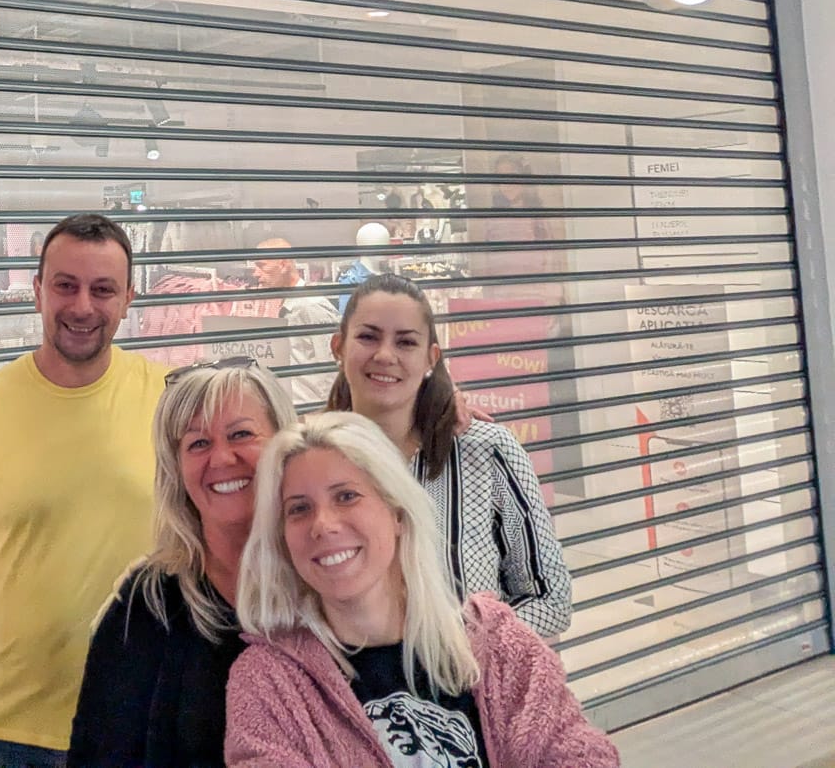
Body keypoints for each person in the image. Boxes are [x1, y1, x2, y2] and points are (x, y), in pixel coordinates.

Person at [225, 412, 619, 767]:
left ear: (397, 512)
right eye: (298, 509)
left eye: (346, 496)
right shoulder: (269, 683)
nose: (323, 525)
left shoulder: (497, 643)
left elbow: (581, 754)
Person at [0, 213, 166, 767]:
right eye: (65, 285)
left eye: (103, 290)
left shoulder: (170, 402)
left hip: (140, 726)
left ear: (128, 298)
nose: (82, 306)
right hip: (8, 734)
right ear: (37, 291)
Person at [69, 359, 293, 768]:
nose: (221, 458)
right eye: (198, 443)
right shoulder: (147, 605)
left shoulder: (325, 584)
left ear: (285, 443)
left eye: (241, 434)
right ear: (176, 468)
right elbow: (99, 753)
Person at [325, 274, 573, 635]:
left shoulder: (486, 452)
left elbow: (551, 600)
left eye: (406, 342)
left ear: (431, 358)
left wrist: (451, 647)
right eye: (368, 337)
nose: (385, 355)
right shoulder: (310, 465)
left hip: (470, 670)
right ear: (338, 347)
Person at [251, 237, 339, 404]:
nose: (255, 273)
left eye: (261, 265)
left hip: (313, 410)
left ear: (283, 265)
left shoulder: (311, 306)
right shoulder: (291, 306)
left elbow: (332, 367)